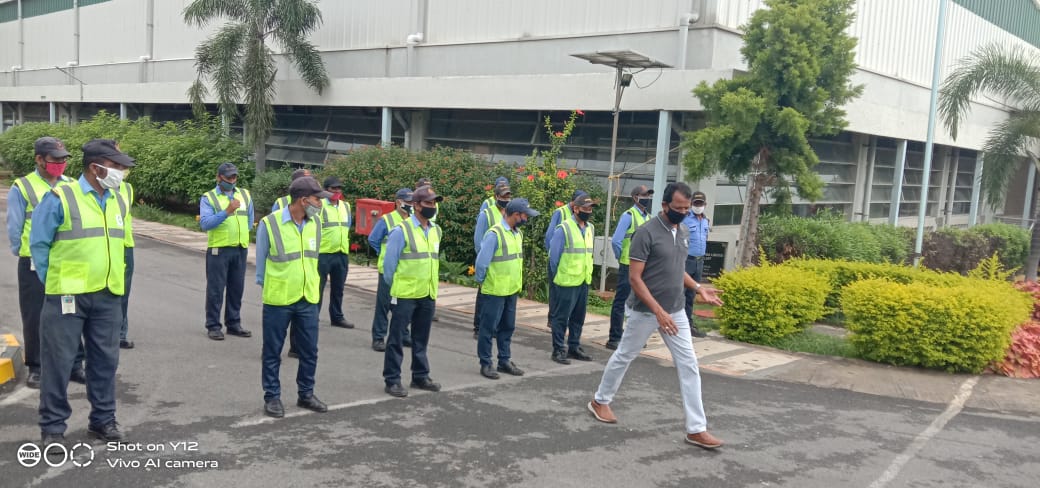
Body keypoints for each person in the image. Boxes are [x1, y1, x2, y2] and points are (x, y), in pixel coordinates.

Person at [587, 182, 725, 450]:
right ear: (664, 205)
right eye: (678, 208)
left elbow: (676, 269)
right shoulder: (646, 232)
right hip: (645, 311)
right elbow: (635, 278)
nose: (683, 213)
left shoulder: (683, 231)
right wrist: (658, 312)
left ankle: (696, 429)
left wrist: (698, 288)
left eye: (686, 209)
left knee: (689, 365)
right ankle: (600, 401)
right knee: (625, 355)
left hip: (675, 310)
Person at [30, 138, 136, 445]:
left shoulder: (117, 200)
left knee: (105, 362)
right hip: (67, 296)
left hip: (108, 295)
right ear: (95, 168)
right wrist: (55, 282)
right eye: (116, 166)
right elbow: (39, 244)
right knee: (58, 363)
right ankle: (53, 428)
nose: (121, 172)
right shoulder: (60, 197)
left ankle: (103, 421)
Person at [255, 177, 330, 418]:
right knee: (272, 351)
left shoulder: (315, 223)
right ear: (303, 200)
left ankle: (306, 394)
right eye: (317, 199)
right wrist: (272, 287)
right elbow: (260, 265)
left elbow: (312, 258)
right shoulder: (270, 224)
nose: (320, 204)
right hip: (279, 299)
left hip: (308, 297)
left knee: (309, 350)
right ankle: (272, 397)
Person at [381, 185, 443, 398]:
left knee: (421, 338)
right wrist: (397, 288)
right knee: (397, 338)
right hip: (405, 294)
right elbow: (389, 267)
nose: (432, 207)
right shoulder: (401, 230)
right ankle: (392, 379)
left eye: (434, 203)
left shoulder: (435, 230)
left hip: (427, 293)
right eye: (428, 203)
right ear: (416, 205)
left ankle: (420, 376)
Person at [474, 198, 538, 379]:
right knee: (488, 329)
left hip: (511, 290)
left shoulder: (517, 234)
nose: (526, 219)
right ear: (515, 215)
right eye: (525, 215)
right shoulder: (495, 234)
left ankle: (504, 360)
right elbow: (481, 263)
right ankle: (486, 363)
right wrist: (482, 282)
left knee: (507, 327)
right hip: (495, 290)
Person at [199, 162, 254, 341]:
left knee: (236, 289)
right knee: (216, 289)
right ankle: (213, 326)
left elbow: (249, 219)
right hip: (219, 249)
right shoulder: (208, 197)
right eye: (228, 177)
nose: (232, 180)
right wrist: (227, 212)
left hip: (240, 248)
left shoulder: (244, 194)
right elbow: (205, 224)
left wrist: (242, 234)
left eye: (234, 177)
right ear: (219, 177)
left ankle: (234, 323)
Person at [547, 193, 595, 364]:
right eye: (585, 208)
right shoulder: (564, 228)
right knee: (561, 317)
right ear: (575, 209)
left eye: (590, 209)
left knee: (578, 317)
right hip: (566, 281)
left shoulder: (590, 228)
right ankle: (558, 349)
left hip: (583, 279)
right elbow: (554, 257)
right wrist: (559, 276)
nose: (588, 211)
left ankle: (574, 346)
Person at [607, 185, 654, 350]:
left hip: (643, 267)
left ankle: (635, 337)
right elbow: (616, 241)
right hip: (628, 265)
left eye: (648, 195)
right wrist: (621, 257)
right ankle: (615, 338)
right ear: (635, 197)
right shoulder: (628, 216)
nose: (647, 198)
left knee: (639, 303)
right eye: (644, 195)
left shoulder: (648, 218)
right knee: (622, 301)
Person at [367, 188, 413, 352]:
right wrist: (384, 254)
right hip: (388, 269)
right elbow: (373, 239)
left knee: (403, 305)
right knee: (384, 305)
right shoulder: (387, 220)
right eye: (408, 202)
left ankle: (404, 334)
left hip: (405, 270)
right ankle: (378, 337)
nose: (411, 205)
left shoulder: (413, 220)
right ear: (398, 202)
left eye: (412, 202)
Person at [471, 183, 512, 339]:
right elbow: (478, 240)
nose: (506, 200)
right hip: (487, 261)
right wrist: (482, 259)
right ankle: (478, 327)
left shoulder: (509, 214)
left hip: (502, 265)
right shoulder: (486, 214)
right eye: (503, 197)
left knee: (497, 299)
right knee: (483, 295)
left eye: (508, 197)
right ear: (496, 197)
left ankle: (494, 326)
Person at [317, 176, 354, 329]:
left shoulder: (346, 206)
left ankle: (337, 316)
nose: (337, 191)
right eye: (334, 188)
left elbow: (347, 225)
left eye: (339, 188)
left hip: (341, 253)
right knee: (318, 288)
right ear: (326, 190)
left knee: (338, 289)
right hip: (323, 253)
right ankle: (313, 316)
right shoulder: (319, 205)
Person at [682, 190, 711, 338]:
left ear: (705, 204)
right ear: (691, 204)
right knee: (680, 293)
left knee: (691, 294)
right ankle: (678, 324)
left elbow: (705, 238)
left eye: (700, 204)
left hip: (699, 261)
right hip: (687, 260)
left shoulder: (706, 221)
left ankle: (688, 324)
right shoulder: (685, 219)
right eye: (696, 203)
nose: (698, 206)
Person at [117, 160, 137, 350]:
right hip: (105, 246)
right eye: (119, 166)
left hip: (126, 245)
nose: (123, 171)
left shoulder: (128, 189)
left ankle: (121, 334)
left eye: (125, 168)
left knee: (123, 293)